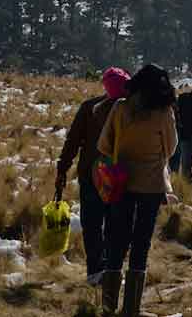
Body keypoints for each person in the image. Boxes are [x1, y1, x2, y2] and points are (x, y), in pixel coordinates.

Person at [98, 64, 178, 317]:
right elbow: (171, 148)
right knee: (141, 242)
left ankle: (108, 306)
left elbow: (104, 144)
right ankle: (131, 309)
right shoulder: (164, 112)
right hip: (151, 184)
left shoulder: (120, 107)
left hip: (121, 182)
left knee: (117, 240)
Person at [55, 67, 130, 285]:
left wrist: (62, 168)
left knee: (93, 224)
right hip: (120, 175)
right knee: (116, 224)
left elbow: (73, 141)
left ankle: (96, 270)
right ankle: (112, 268)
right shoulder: (132, 109)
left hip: (91, 174)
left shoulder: (89, 107)